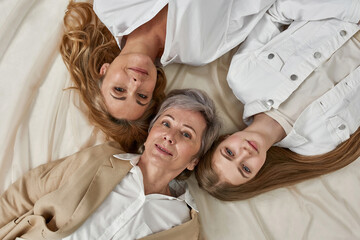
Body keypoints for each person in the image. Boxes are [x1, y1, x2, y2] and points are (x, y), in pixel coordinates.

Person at [0, 89, 221, 239]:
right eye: (165, 123)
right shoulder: (100, 159)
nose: (169, 136)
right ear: (149, 133)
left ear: (194, 161)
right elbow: (27, 192)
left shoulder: (185, 227)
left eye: (186, 134)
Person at [195, 0, 360, 201]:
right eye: (245, 168)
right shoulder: (318, 145)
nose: (244, 153)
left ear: (223, 139)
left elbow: (276, 12)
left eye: (229, 152)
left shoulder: (242, 77)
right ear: (257, 174)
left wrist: (353, 10)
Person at [60, 0, 275, 152]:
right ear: (153, 89)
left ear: (104, 70)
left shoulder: (111, 6)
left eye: (119, 90)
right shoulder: (200, 50)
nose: (135, 84)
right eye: (142, 96)